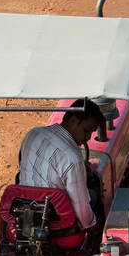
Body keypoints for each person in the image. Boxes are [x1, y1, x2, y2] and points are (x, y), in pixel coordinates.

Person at [17, 98, 107, 229]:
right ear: (73, 121)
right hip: (55, 223)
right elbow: (81, 209)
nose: (88, 137)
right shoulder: (72, 158)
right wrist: (93, 224)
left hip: (24, 211)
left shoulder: (33, 133)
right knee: (94, 196)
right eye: (87, 131)